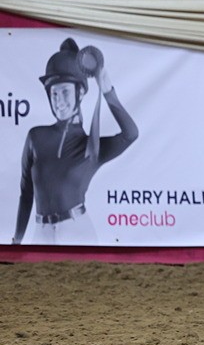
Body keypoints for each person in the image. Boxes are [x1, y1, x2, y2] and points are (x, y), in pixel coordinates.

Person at [12, 39, 139, 245]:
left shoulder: (92, 147)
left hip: (77, 231)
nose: (59, 101)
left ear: (79, 93)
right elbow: (26, 194)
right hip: (40, 233)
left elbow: (131, 134)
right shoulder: (35, 137)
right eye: (54, 93)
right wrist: (16, 241)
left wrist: (107, 91)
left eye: (65, 92)